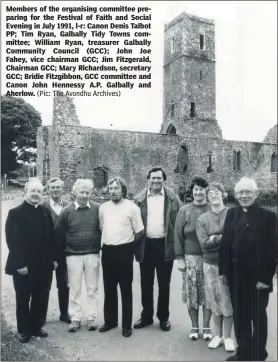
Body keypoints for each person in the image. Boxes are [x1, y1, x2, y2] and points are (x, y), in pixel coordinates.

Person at [219, 177, 277, 361]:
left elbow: (273, 250)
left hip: (257, 279)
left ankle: (259, 354)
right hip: (235, 275)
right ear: (235, 195)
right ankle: (243, 352)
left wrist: (265, 279)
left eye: (248, 192)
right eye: (240, 193)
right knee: (240, 316)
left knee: (258, 317)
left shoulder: (269, 217)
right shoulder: (232, 214)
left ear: (256, 194)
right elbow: (225, 245)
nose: (244, 196)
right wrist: (223, 271)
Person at [5, 178, 58, 343]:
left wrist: (53, 259)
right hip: (24, 265)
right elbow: (12, 241)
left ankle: (36, 326)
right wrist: (20, 264)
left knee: (41, 297)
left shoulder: (45, 212)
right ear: (25, 192)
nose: (36, 194)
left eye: (39, 191)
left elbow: (51, 239)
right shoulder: (15, 213)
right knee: (23, 297)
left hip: (43, 264)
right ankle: (24, 330)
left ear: (43, 194)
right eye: (32, 191)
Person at [134, 166, 181, 332]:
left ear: (164, 180)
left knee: (164, 285)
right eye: (153, 178)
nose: (156, 181)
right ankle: (146, 316)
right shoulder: (139, 199)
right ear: (148, 179)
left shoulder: (173, 199)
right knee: (146, 284)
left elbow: (179, 223)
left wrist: (179, 248)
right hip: (146, 246)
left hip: (164, 246)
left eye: (159, 178)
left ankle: (163, 318)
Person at [99, 177, 144, 337]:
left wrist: (129, 245)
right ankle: (110, 321)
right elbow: (101, 227)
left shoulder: (132, 208)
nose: (113, 191)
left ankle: (126, 325)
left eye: (116, 188)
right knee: (109, 288)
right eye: (110, 188)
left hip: (125, 252)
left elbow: (139, 231)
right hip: (108, 251)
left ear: (123, 190)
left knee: (125, 289)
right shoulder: (103, 208)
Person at [56, 179, 101, 333]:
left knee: (92, 288)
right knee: (75, 288)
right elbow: (60, 235)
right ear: (75, 192)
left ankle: (91, 318)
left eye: (87, 192)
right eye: (81, 192)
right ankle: (75, 318)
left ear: (91, 193)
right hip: (73, 255)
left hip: (92, 254)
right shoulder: (66, 211)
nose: (84, 195)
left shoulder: (97, 209)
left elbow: (102, 229)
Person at [196, 182, 235, 352]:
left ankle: (228, 337)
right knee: (214, 299)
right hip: (210, 264)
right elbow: (204, 244)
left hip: (230, 264)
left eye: (217, 191)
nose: (213, 194)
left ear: (223, 194)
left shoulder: (233, 214)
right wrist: (222, 239)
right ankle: (217, 335)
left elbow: (236, 240)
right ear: (207, 197)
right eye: (210, 192)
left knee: (227, 300)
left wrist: (215, 238)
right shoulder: (203, 219)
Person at [174, 176, 212, 341]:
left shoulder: (212, 209)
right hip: (190, 259)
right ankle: (194, 326)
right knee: (192, 294)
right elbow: (177, 235)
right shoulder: (184, 210)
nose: (198, 192)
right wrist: (180, 258)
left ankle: (207, 327)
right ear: (192, 191)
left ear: (206, 191)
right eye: (195, 189)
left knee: (208, 292)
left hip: (210, 258)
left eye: (201, 189)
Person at [41, 177, 71, 324]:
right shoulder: (42, 206)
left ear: (62, 189)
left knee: (64, 284)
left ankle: (64, 313)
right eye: (52, 188)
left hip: (64, 252)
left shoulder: (69, 206)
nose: (55, 190)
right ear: (48, 190)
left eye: (58, 187)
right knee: (44, 284)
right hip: (46, 253)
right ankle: (41, 316)